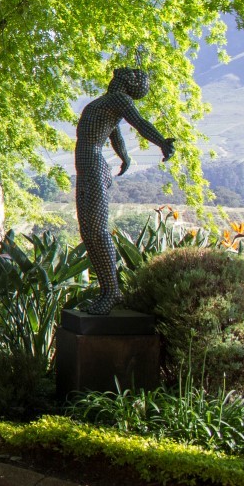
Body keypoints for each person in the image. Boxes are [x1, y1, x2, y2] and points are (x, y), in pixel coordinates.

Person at [75, 67, 175, 315]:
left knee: (97, 230)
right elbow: (116, 133)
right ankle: (107, 291)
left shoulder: (120, 99)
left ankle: (112, 292)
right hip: (87, 168)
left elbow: (140, 123)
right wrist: (125, 156)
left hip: (95, 166)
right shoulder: (108, 104)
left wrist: (162, 142)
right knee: (88, 231)